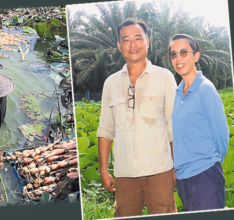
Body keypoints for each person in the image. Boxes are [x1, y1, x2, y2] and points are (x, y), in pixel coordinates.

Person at [97, 18, 177, 217]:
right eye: (126, 40)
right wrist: (104, 170)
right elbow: (106, 130)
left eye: (138, 38)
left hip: (160, 170)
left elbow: (174, 126)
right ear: (119, 45)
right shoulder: (110, 83)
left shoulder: (165, 77)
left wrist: (177, 166)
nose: (133, 45)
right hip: (124, 174)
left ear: (147, 42)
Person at [169, 34, 229, 211]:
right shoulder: (177, 93)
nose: (178, 58)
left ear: (196, 56)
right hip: (183, 178)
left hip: (205, 175)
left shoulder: (206, 89)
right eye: (173, 54)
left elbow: (221, 135)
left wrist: (214, 162)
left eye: (183, 52)